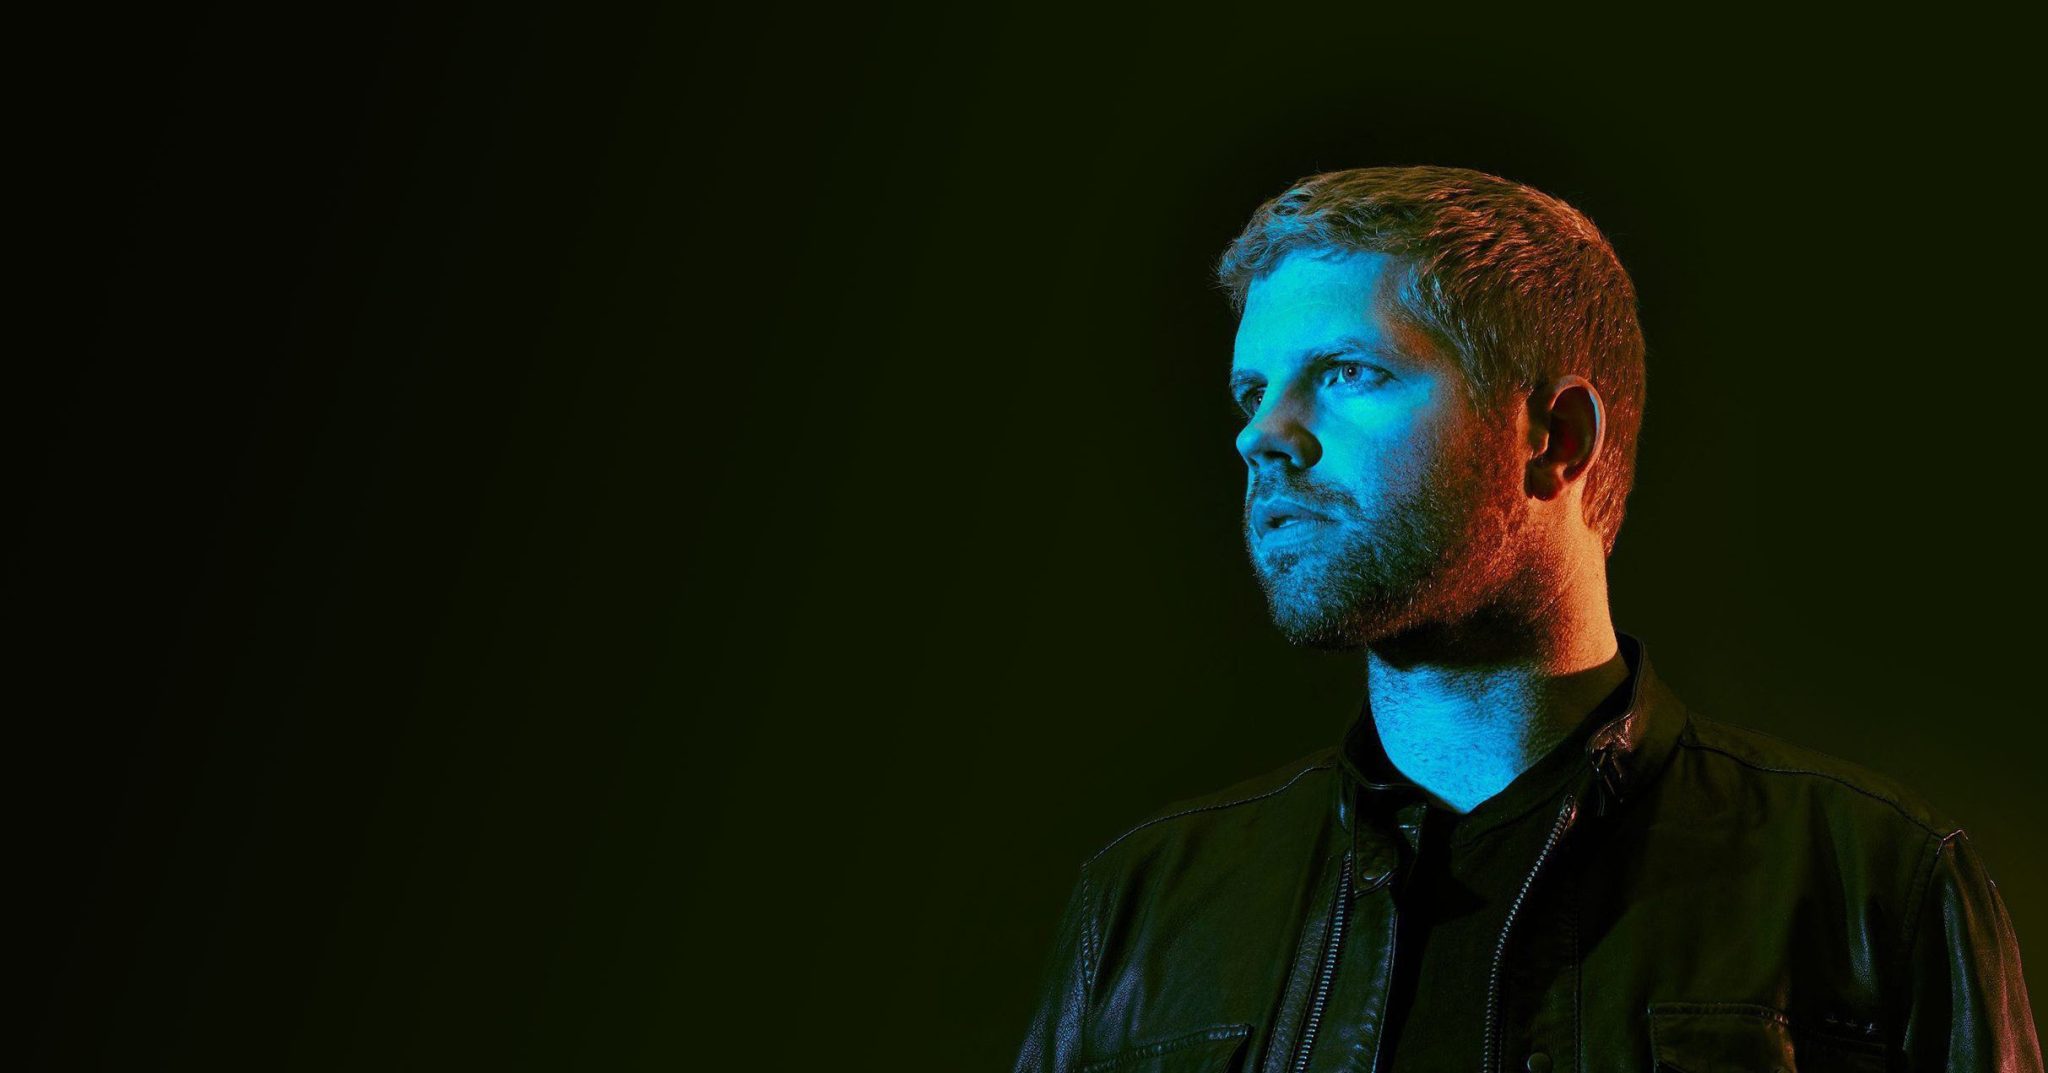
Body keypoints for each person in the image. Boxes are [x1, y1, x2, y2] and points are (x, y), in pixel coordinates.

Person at [1010, 166, 2042, 1072]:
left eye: (1347, 373)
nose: (1261, 435)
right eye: (1252, 390)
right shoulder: (1144, 909)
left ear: (1554, 437)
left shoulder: (1873, 887)